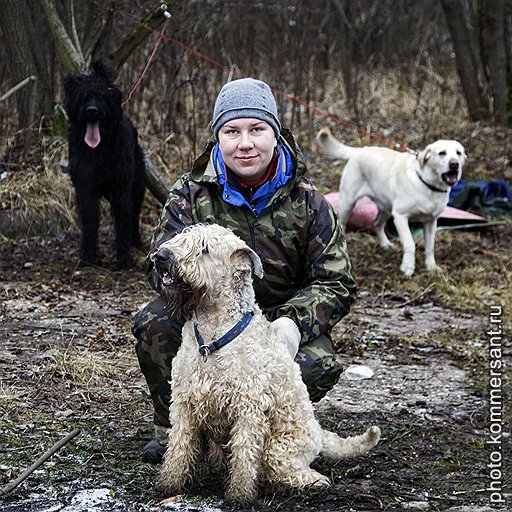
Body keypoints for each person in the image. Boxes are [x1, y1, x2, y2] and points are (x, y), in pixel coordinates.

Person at [132, 77, 357, 463]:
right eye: (231, 131)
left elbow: (336, 282)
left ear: (277, 134)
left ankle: (271, 431)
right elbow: (159, 265)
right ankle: (176, 428)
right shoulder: (190, 195)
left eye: (257, 129)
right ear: (218, 138)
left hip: (276, 320)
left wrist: (291, 325)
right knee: (153, 322)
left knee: (318, 364)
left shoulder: (310, 203)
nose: (245, 143)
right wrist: (200, 292)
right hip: (208, 314)